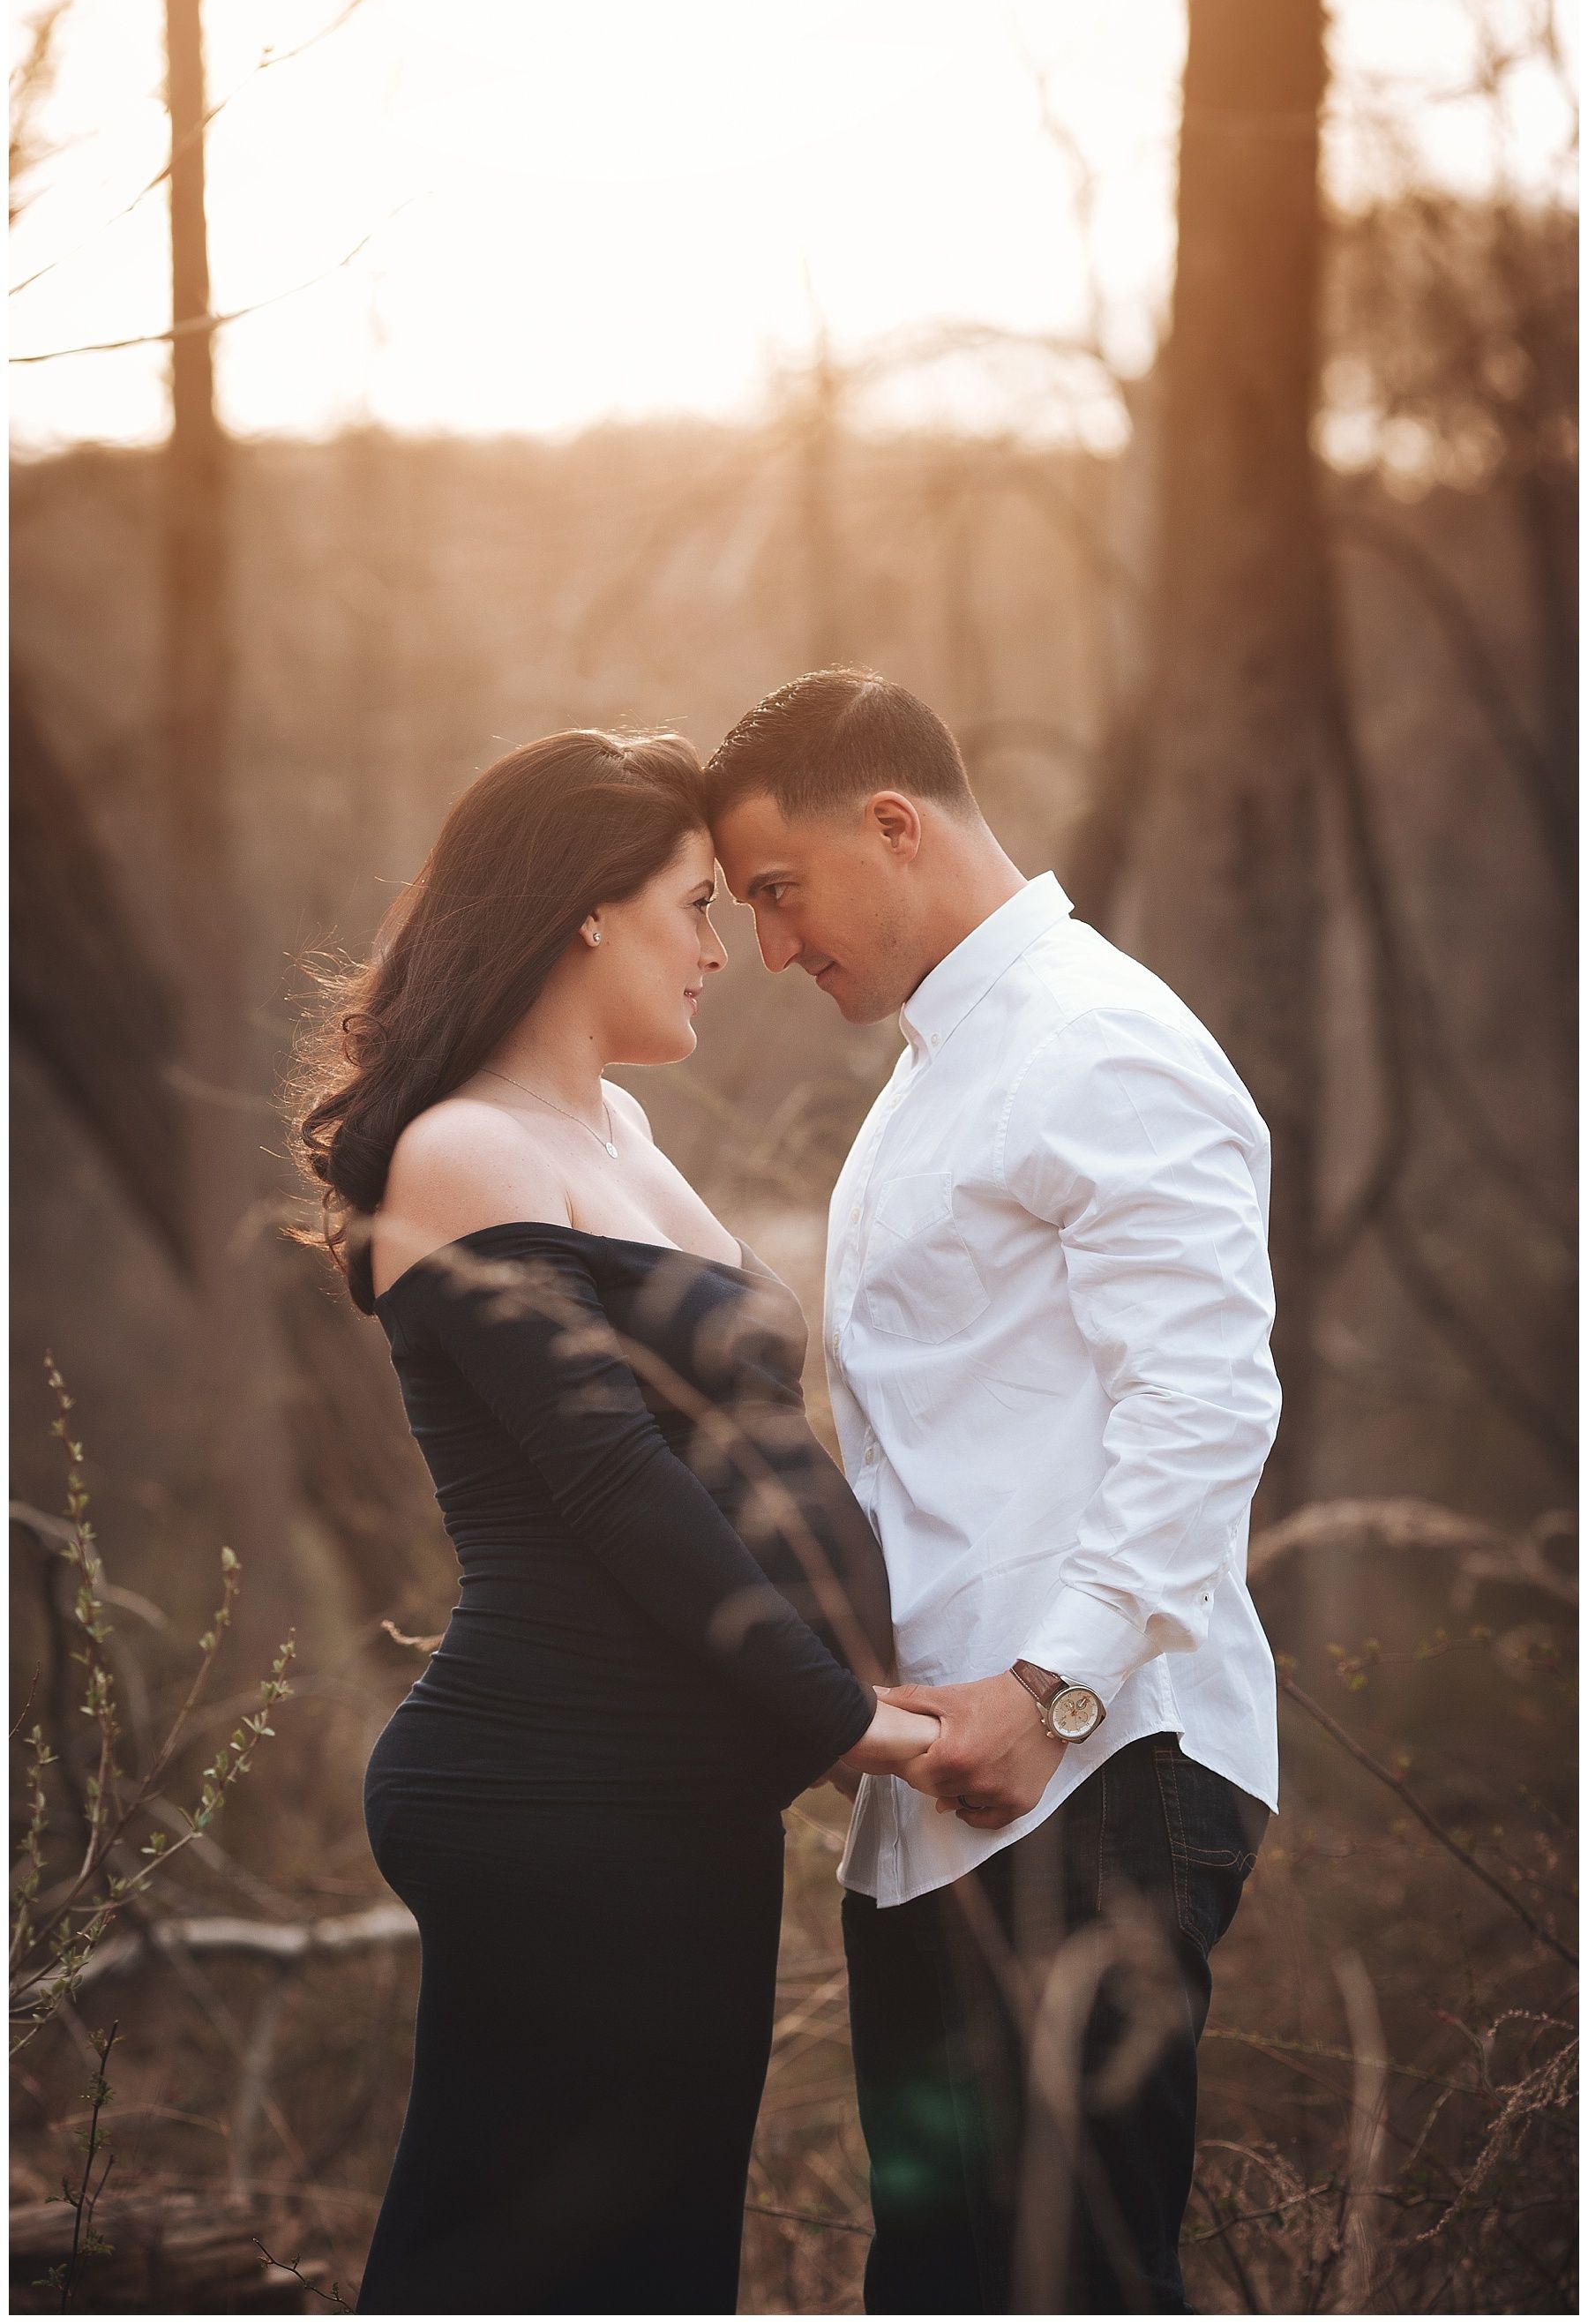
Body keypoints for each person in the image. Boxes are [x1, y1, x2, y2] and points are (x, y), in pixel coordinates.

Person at [288, 728, 936, 2315]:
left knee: (654, 2261)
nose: (725, 950)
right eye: (694, 906)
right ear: (588, 910)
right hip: (545, 1792)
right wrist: (839, 1712)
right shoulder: (461, 1152)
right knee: (521, 2260)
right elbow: (609, 1479)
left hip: (670, 1800)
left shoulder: (615, 1139)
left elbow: (747, 1436)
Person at [707, 670, 1282, 2315]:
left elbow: (1208, 1396)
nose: (769, 946)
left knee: (1073, 2283)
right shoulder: (938, 1066)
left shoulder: (1098, 1039)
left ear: (892, 823)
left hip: (1095, 1775)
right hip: (955, 1801)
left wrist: (1053, 1685)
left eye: (777, 889)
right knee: (950, 2285)